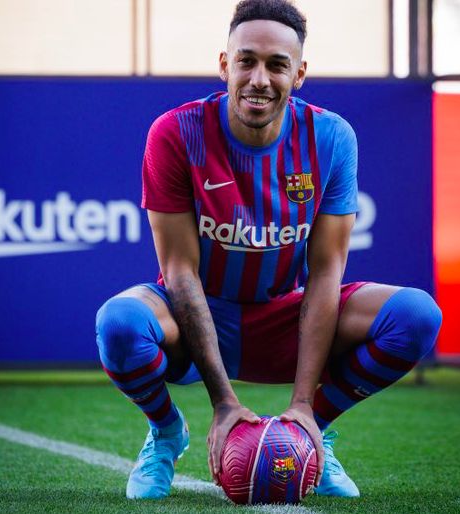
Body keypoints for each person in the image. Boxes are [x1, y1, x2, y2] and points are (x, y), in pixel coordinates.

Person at [96, 0, 442, 501]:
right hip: (196, 314)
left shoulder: (331, 137)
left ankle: (313, 434)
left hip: (285, 316)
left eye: (277, 65)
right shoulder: (175, 133)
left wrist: (303, 404)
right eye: (247, 61)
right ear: (224, 65)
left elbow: (326, 272)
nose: (260, 78)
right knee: (119, 325)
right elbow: (179, 271)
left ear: (299, 74)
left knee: (415, 315)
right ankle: (167, 434)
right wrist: (223, 403)